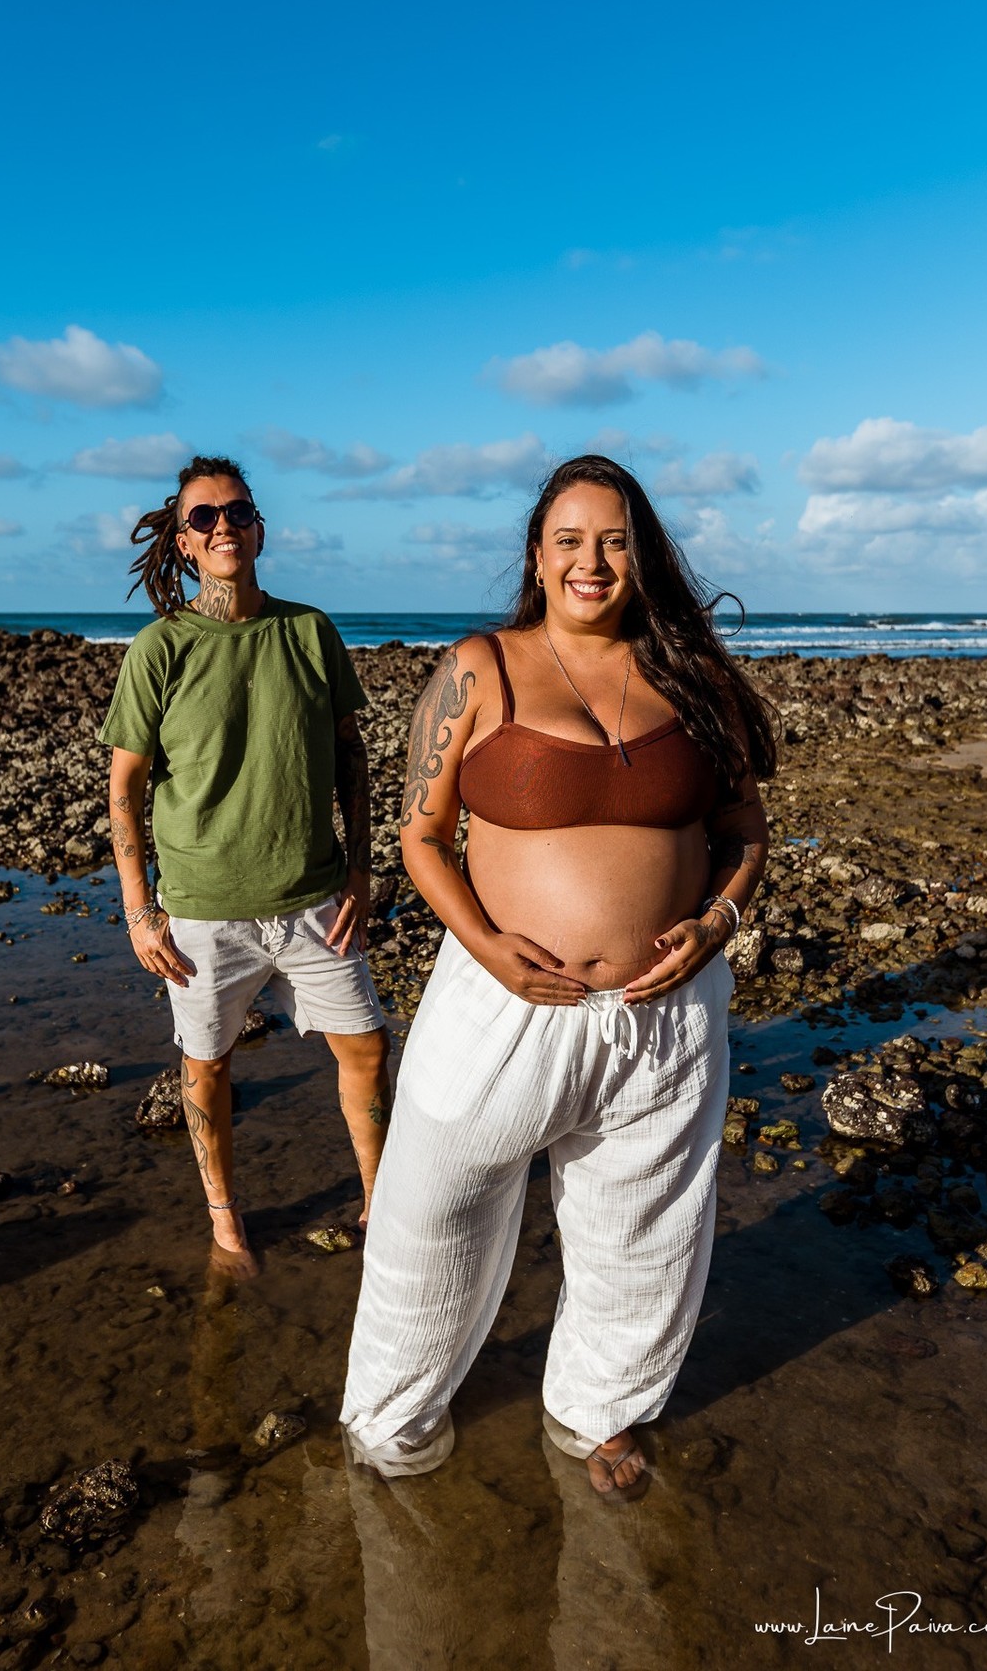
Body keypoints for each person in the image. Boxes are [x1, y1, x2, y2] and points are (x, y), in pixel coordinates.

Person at [340, 454, 775, 1493]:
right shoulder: (479, 668)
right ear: (537, 557)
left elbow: (747, 830)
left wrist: (716, 923)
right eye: (571, 540)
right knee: (428, 1209)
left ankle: (600, 1417)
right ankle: (395, 1428)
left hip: (663, 1016)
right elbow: (420, 837)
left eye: (615, 539)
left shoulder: (695, 677)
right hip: (500, 1011)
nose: (593, 560)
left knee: (647, 1227)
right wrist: (485, 947)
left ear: (643, 555)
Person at [99, 455, 391, 1279]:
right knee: (207, 1066)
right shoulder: (160, 649)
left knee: (367, 1050)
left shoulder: (310, 631)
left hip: (315, 899)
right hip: (201, 912)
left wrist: (362, 875)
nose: (222, 524)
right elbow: (123, 783)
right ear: (185, 541)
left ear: (259, 528)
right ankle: (225, 1219)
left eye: (237, 511)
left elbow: (350, 756)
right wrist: (138, 908)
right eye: (203, 517)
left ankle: (378, 1198)